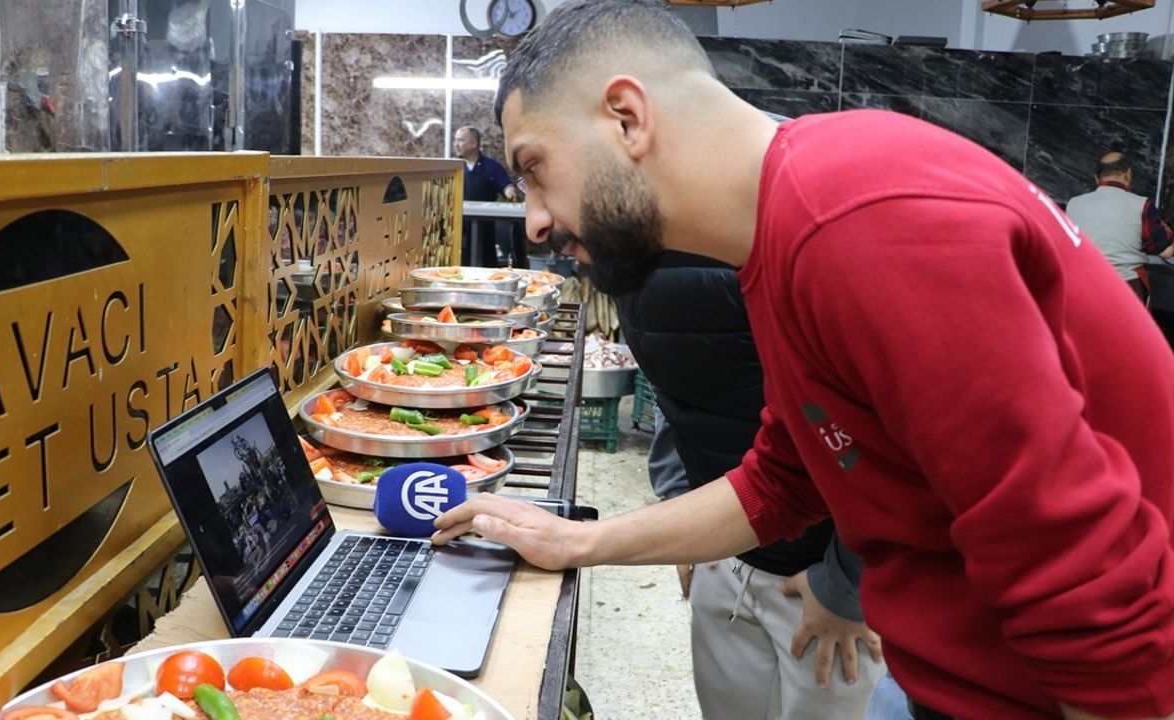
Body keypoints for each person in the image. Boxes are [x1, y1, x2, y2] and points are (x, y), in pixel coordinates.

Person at [431, 2, 1174, 719]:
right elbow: (783, 481)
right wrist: (579, 542)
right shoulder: (781, 238)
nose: (531, 222)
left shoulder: (852, 216)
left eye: (536, 170)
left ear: (627, 117)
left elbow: (1085, 581)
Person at [627, 251, 884, 719]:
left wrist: (846, 585)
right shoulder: (633, 257)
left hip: (822, 577)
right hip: (727, 551)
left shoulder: (797, 250)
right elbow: (677, 394)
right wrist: (683, 504)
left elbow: (883, 436)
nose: (537, 224)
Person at [1066, 151, 1174, 303]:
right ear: (1128, 174)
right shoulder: (1142, 205)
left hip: (1081, 287)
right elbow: (1166, 251)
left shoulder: (1073, 204)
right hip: (1126, 289)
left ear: (1097, 178)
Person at [455, 126, 518, 266]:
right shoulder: (453, 167)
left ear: (474, 143)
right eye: (456, 140)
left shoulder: (491, 167)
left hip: (486, 228)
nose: (456, 145)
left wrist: (510, 192)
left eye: (460, 140)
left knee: (485, 262)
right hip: (459, 227)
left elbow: (506, 187)